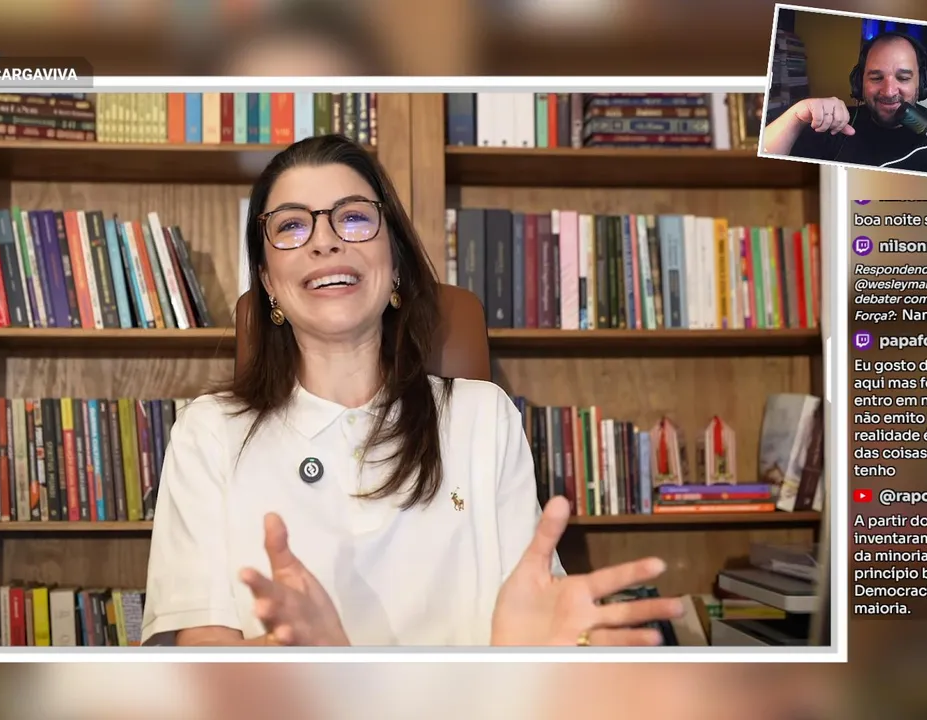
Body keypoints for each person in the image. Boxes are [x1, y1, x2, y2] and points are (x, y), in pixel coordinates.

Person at [141, 134, 684, 647]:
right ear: (266, 280)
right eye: (291, 226)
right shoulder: (208, 432)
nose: (325, 240)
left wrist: (543, 654)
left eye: (354, 217)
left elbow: (534, 620)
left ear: (395, 263)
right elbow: (205, 660)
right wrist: (320, 664)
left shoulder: (483, 416)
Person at [761, 30, 927, 176]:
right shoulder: (832, 127)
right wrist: (796, 116)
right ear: (859, 83)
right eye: (876, 78)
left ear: (922, 83)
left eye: (903, 78)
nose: (889, 91)